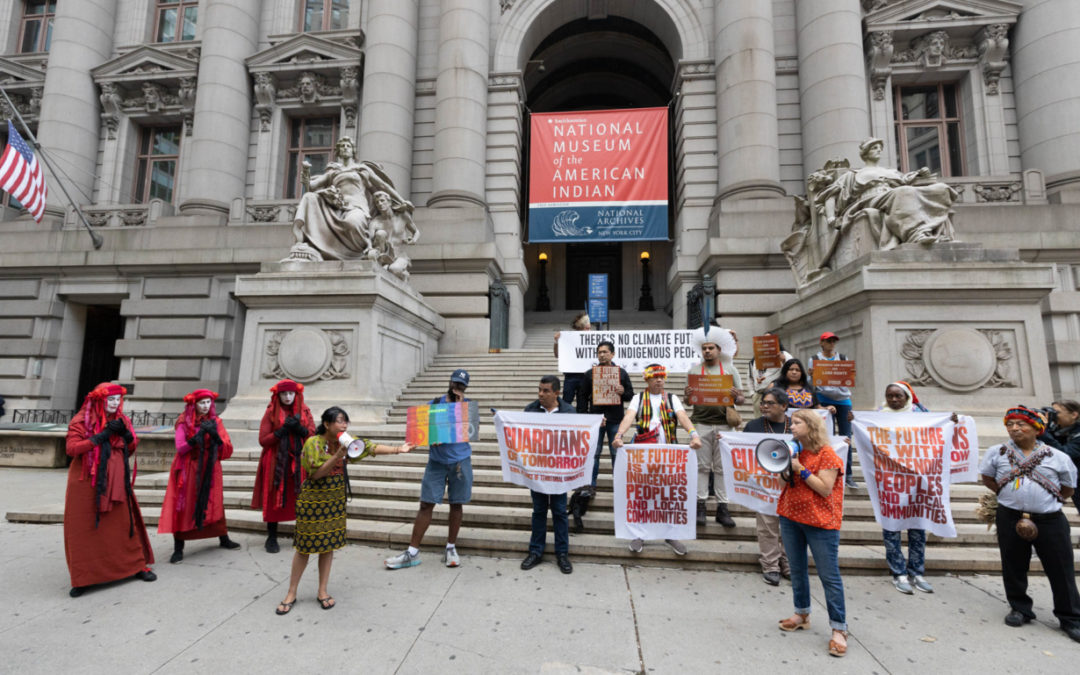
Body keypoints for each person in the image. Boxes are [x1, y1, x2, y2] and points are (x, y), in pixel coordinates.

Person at [276, 407, 412, 615]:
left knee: (327, 545)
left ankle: (322, 590)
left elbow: (369, 447)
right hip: (313, 500)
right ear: (327, 424)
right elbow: (316, 474)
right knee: (303, 547)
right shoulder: (313, 443)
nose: (344, 425)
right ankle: (291, 592)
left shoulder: (347, 440)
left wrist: (398, 449)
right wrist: (339, 455)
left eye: (345, 421)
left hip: (334, 500)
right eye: (339, 421)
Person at [979, 406, 1080, 643]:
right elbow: (988, 478)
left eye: (1021, 424)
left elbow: (1068, 488)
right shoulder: (997, 452)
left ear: (1037, 428)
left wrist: (1041, 501)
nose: (1014, 428)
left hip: (1050, 520)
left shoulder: (1058, 457)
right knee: (1013, 564)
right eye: (1010, 424)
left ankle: (1070, 618)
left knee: (1061, 569)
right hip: (1010, 517)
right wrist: (1008, 498)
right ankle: (1020, 608)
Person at [64, 383, 156, 597]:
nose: (115, 404)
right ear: (100, 400)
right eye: (111, 400)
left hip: (117, 477)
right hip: (87, 480)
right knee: (85, 527)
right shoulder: (82, 420)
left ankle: (134, 566)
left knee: (123, 524)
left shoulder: (122, 420)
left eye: (118, 400)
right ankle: (84, 577)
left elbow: (131, 448)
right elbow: (71, 449)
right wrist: (100, 437)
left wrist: (127, 436)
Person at [776, 409, 848, 658]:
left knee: (829, 577)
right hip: (790, 517)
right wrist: (785, 468)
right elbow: (781, 484)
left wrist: (801, 470)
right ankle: (802, 613)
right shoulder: (794, 451)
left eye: (797, 423)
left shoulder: (827, 454)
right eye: (791, 423)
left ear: (811, 426)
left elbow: (825, 488)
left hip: (820, 523)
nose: (792, 427)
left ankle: (839, 629)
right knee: (797, 569)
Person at [386, 369, 473, 569]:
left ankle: (451, 547)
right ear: (449, 383)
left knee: (457, 503)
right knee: (426, 504)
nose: (456, 388)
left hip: (460, 461)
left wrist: (459, 408)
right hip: (437, 462)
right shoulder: (434, 404)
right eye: (454, 384)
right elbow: (419, 430)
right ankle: (412, 551)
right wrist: (426, 438)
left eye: (461, 386)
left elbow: (470, 431)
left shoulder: (468, 407)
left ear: (465, 388)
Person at [875, 382, 957, 594]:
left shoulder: (921, 415)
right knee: (892, 528)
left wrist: (951, 422)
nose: (894, 400)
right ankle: (898, 572)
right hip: (891, 481)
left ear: (907, 396)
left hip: (918, 482)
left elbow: (937, 434)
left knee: (918, 528)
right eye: (890, 396)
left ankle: (917, 571)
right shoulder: (878, 416)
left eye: (898, 396)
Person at [612, 364, 703, 555]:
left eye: (662, 377)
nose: (659, 380)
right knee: (643, 494)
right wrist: (619, 434)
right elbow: (629, 416)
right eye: (655, 377)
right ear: (647, 379)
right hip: (645, 453)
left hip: (668, 454)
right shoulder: (638, 398)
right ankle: (639, 534)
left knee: (668, 494)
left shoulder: (672, 398)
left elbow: (682, 416)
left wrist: (693, 434)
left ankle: (671, 535)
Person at [290, 136, 413, 261]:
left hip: (357, 208)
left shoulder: (362, 169)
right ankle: (301, 239)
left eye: (348, 146)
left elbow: (382, 185)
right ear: (338, 151)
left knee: (352, 223)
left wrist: (401, 201)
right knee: (309, 197)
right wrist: (306, 176)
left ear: (353, 151)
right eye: (342, 146)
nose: (345, 148)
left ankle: (365, 248)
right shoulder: (334, 171)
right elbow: (311, 186)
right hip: (336, 208)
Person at [158, 389, 241, 563]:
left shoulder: (216, 422)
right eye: (202, 402)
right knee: (184, 505)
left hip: (211, 468)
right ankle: (178, 547)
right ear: (194, 404)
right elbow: (180, 448)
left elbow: (227, 448)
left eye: (208, 402)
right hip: (189, 468)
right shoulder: (183, 422)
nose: (205, 406)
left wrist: (216, 436)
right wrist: (199, 436)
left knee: (215, 502)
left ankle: (223, 537)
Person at [683, 326, 745, 528]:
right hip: (700, 423)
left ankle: (722, 508)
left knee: (721, 469)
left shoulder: (730, 370)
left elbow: (742, 399)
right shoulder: (693, 371)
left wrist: (737, 396)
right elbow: (688, 402)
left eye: (711, 348)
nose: (707, 351)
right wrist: (687, 395)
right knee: (701, 467)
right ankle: (700, 506)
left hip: (724, 426)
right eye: (704, 348)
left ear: (719, 350)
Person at [252, 379, 316, 553]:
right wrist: (280, 432)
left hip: (299, 461)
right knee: (274, 497)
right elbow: (263, 440)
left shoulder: (304, 411)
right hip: (275, 461)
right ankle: (271, 537)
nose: (288, 397)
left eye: (291, 393)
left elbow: (312, 433)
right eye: (284, 394)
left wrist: (300, 430)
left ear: (296, 394)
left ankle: (302, 534)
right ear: (278, 395)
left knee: (300, 497)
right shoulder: (271, 412)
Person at [520, 375, 575, 574]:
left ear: (556, 393)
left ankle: (562, 554)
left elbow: (576, 438)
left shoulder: (569, 411)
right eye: (539, 390)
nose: (541, 394)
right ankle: (536, 552)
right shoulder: (531, 409)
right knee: (539, 511)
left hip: (559, 470)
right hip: (538, 471)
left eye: (546, 391)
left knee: (560, 511)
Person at [742, 387, 792, 586]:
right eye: (763, 403)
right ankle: (770, 566)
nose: (764, 406)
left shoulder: (795, 425)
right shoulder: (753, 426)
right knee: (767, 527)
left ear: (784, 406)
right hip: (765, 485)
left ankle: (789, 564)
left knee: (790, 528)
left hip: (792, 485)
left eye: (769, 403)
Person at [576, 340, 634, 487]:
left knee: (616, 453)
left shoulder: (621, 373)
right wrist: (585, 417)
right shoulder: (590, 374)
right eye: (599, 352)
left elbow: (630, 395)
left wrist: (623, 392)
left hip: (615, 419)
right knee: (594, 453)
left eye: (605, 352)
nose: (601, 355)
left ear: (612, 354)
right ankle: (591, 485)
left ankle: (619, 485)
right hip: (596, 419)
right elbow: (582, 396)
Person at [807, 332, 857, 489]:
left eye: (834, 341)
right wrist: (811, 376)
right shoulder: (814, 359)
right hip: (823, 400)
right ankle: (823, 470)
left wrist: (850, 375)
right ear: (821, 343)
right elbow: (810, 383)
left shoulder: (842, 358)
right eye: (828, 341)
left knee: (846, 437)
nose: (832, 344)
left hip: (843, 400)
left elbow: (847, 380)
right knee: (824, 437)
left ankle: (848, 474)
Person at [1038, 400, 1080, 517]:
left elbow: (1065, 453)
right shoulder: (1059, 430)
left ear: (1074, 415)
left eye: (1056, 413)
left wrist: (1044, 434)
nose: (1054, 416)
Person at [747, 333, 793, 417]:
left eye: (770, 339)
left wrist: (784, 360)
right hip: (758, 396)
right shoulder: (755, 359)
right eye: (764, 339)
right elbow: (750, 378)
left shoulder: (784, 355)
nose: (766, 342)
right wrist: (752, 394)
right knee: (759, 424)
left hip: (775, 395)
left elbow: (792, 370)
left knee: (774, 420)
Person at [553, 311, 593, 406]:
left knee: (582, 404)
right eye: (587, 328)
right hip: (571, 376)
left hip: (585, 377)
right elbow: (557, 354)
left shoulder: (591, 339)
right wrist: (556, 342)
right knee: (566, 401)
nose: (589, 331)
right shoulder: (569, 338)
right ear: (580, 328)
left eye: (590, 328)